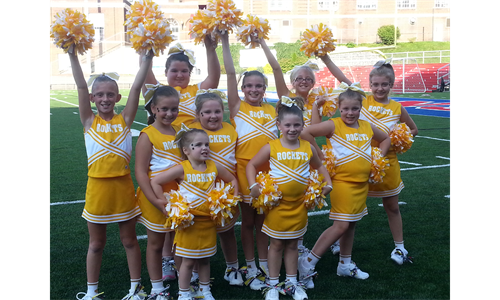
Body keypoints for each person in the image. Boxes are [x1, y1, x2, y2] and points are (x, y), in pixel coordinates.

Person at [69, 46, 153, 300]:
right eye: (99, 95)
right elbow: (81, 87)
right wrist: (73, 55)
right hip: (97, 189)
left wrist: (147, 59)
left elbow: (137, 88)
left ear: (117, 97)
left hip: (123, 188)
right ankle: (92, 291)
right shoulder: (88, 121)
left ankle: (136, 288)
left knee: (129, 240)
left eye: (110, 95)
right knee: (96, 243)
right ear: (93, 98)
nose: (104, 99)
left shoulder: (125, 120)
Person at [299, 83, 391, 287]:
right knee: (341, 225)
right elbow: (306, 133)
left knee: (351, 225)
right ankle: (307, 262)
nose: (350, 113)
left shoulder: (367, 126)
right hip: (341, 183)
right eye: (346, 109)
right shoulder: (334, 124)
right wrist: (319, 155)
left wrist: (378, 158)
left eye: (355, 108)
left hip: (361, 185)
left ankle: (345, 264)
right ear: (340, 109)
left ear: (360, 109)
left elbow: (385, 139)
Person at [246, 96, 332, 300]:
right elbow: (251, 165)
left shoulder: (307, 147)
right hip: (277, 207)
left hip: (299, 206)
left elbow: (319, 166)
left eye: (297, 125)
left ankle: (292, 282)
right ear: (279, 125)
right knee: (276, 244)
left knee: (293, 244)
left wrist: (327, 183)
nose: (292, 129)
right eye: (288, 125)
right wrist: (253, 186)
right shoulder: (271, 146)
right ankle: (273, 284)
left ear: (303, 125)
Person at [150, 128, 239, 300]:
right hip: (189, 224)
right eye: (197, 145)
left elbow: (233, 179)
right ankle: (184, 293)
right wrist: (165, 204)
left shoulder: (214, 166)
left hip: (208, 222)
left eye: (206, 144)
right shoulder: (182, 168)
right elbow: (156, 181)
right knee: (188, 261)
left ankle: (205, 291)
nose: (204, 148)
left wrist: (232, 197)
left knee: (205, 259)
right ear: (186, 150)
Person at [222, 32, 278, 290]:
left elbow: (277, 70)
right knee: (248, 221)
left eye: (258, 86)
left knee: (264, 221)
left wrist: (264, 43)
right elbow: (231, 75)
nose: (253, 90)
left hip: (271, 173)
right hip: (245, 171)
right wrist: (224, 41)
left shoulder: (273, 109)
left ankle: (265, 261)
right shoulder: (236, 107)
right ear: (242, 89)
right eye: (249, 86)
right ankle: (250, 264)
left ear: (264, 89)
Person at [359, 61, 418, 264]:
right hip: (359, 161)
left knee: (392, 207)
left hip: (387, 165)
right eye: (375, 84)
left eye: (384, 84)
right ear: (370, 84)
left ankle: (400, 248)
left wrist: (400, 135)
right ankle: (339, 243)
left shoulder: (397, 107)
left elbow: (414, 130)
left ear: (391, 84)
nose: (379, 88)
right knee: (352, 207)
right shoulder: (362, 101)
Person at [188, 90, 242, 286]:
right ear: (198, 114)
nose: (213, 116)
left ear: (224, 111)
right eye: (207, 112)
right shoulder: (190, 131)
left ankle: (232, 267)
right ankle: (193, 273)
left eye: (217, 111)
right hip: (199, 193)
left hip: (225, 194)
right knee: (196, 234)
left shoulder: (231, 129)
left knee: (227, 232)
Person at [135, 85, 182, 298]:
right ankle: (157, 288)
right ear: (153, 108)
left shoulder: (179, 132)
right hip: (155, 196)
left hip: (179, 197)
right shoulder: (148, 135)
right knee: (155, 243)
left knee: (179, 239)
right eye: (164, 109)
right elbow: (141, 172)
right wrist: (154, 200)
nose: (169, 113)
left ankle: (183, 278)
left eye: (174, 109)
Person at [257, 37, 352, 127]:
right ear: (293, 82)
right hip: (286, 144)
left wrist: (316, 105)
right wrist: (263, 44)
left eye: (308, 79)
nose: (304, 81)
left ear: (312, 84)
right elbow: (276, 69)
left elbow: (314, 129)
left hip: (307, 144)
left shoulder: (319, 100)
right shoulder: (286, 96)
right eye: (299, 78)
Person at [140, 38, 220, 127]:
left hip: (192, 139)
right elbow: (145, 72)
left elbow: (214, 77)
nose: (179, 75)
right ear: (166, 72)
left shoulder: (198, 90)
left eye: (184, 71)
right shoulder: (158, 91)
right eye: (174, 71)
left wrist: (210, 50)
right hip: (164, 139)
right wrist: (147, 49)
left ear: (190, 73)